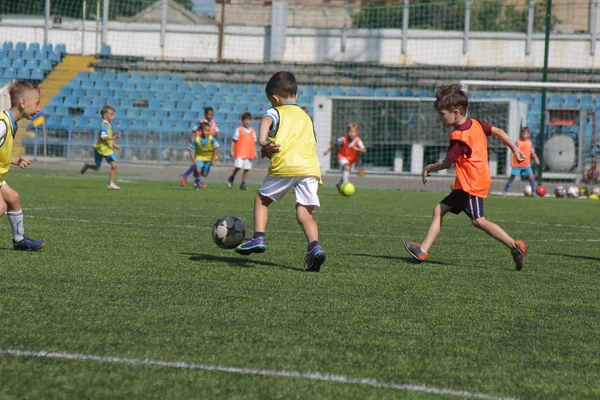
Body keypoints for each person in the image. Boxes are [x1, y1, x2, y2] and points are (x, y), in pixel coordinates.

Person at [403, 84, 528, 271]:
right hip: (467, 183)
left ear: (455, 112)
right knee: (439, 209)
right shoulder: (476, 123)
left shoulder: (459, 137)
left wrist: (429, 167)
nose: (440, 118)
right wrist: (515, 148)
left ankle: (516, 247)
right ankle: (422, 250)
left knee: (478, 220)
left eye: (442, 114)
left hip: (472, 183)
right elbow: (499, 131)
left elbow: (446, 164)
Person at [234, 71, 326, 272]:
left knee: (262, 199)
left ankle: (258, 237)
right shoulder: (305, 116)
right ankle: (315, 247)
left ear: (275, 98)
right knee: (304, 213)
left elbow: (266, 120)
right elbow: (313, 139)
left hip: (286, 165)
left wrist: (262, 141)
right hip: (310, 168)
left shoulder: (277, 111)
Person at [0, 80, 46, 250]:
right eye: (37, 104)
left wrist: (14, 160)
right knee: (1, 206)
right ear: (22, 103)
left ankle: (19, 241)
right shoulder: (2, 124)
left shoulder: (12, 123)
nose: (39, 109)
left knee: (13, 199)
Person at [81, 105, 121, 190]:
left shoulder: (108, 125)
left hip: (107, 149)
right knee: (97, 168)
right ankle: (88, 166)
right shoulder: (104, 125)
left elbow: (106, 138)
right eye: (111, 114)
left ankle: (111, 183)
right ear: (105, 115)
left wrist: (114, 144)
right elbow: (103, 137)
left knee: (114, 165)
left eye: (113, 115)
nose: (113, 117)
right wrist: (113, 138)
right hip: (101, 149)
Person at [179, 107, 220, 187]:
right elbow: (194, 129)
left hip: (209, 146)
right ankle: (187, 177)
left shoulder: (213, 123)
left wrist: (214, 135)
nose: (211, 116)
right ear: (205, 114)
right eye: (209, 114)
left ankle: (194, 179)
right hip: (200, 144)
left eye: (212, 115)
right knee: (198, 162)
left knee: (202, 165)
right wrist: (192, 137)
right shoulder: (201, 122)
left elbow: (216, 132)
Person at [323, 123, 366, 191]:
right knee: (346, 167)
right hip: (342, 157)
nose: (351, 133)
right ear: (347, 132)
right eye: (350, 131)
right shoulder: (342, 139)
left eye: (353, 132)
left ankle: (339, 184)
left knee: (346, 172)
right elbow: (335, 144)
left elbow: (364, 150)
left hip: (351, 160)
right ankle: (346, 184)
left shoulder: (358, 140)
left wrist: (357, 149)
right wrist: (327, 151)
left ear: (356, 133)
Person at [503, 127, 540, 196]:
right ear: (521, 134)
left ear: (529, 135)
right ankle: (505, 191)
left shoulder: (529, 143)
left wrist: (536, 158)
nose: (525, 135)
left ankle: (534, 192)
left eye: (526, 134)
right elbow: (512, 152)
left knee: (531, 177)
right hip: (517, 164)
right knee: (512, 177)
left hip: (526, 164)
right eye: (523, 134)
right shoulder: (518, 142)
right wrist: (511, 161)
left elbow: (532, 152)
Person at [227, 112, 257, 191]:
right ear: (242, 121)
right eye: (245, 120)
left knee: (247, 169)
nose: (247, 122)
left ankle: (243, 183)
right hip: (240, 152)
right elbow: (234, 141)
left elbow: (254, 142)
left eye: (249, 120)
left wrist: (255, 152)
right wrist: (232, 150)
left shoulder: (252, 131)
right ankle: (232, 176)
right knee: (238, 166)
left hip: (249, 152)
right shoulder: (239, 129)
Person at [188, 121, 219, 190]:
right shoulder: (197, 139)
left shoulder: (211, 139)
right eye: (205, 130)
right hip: (199, 157)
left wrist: (213, 159)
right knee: (198, 169)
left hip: (208, 158)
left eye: (208, 131)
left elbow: (216, 148)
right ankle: (197, 184)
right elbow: (190, 149)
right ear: (201, 130)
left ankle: (197, 174)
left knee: (205, 175)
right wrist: (194, 160)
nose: (207, 132)